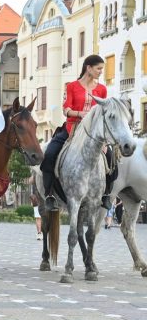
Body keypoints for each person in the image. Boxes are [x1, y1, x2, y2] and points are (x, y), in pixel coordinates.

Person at [40, 55, 110, 212]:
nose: (101, 72)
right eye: (98, 68)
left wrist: (104, 141)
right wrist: (80, 114)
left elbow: (103, 112)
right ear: (88, 68)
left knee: (111, 158)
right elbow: (66, 109)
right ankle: (49, 194)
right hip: (72, 128)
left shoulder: (102, 89)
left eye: (102, 69)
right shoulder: (72, 86)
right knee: (50, 154)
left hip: (94, 133)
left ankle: (106, 195)